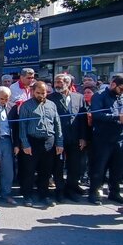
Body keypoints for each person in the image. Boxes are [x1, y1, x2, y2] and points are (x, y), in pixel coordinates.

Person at [88, 74, 123, 205]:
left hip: (121, 137)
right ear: (113, 84)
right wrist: (117, 117)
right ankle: (95, 192)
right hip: (103, 138)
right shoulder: (99, 95)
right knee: (99, 167)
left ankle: (114, 192)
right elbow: (97, 114)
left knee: (118, 168)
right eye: (122, 89)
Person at [18, 81, 64, 207]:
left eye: (43, 93)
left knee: (46, 170)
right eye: (38, 93)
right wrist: (25, 144)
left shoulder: (52, 105)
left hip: (49, 141)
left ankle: (44, 195)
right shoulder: (26, 106)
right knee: (29, 170)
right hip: (32, 141)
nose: (41, 95)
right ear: (33, 92)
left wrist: (60, 142)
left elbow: (57, 124)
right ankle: (27, 195)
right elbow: (22, 126)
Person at [48, 73, 88, 202]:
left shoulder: (79, 97)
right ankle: (59, 191)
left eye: (60, 82)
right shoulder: (50, 98)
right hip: (58, 138)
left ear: (68, 84)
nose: (57, 85)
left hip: (75, 138)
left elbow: (82, 119)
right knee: (58, 166)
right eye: (56, 82)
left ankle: (71, 189)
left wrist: (83, 137)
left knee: (74, 165)